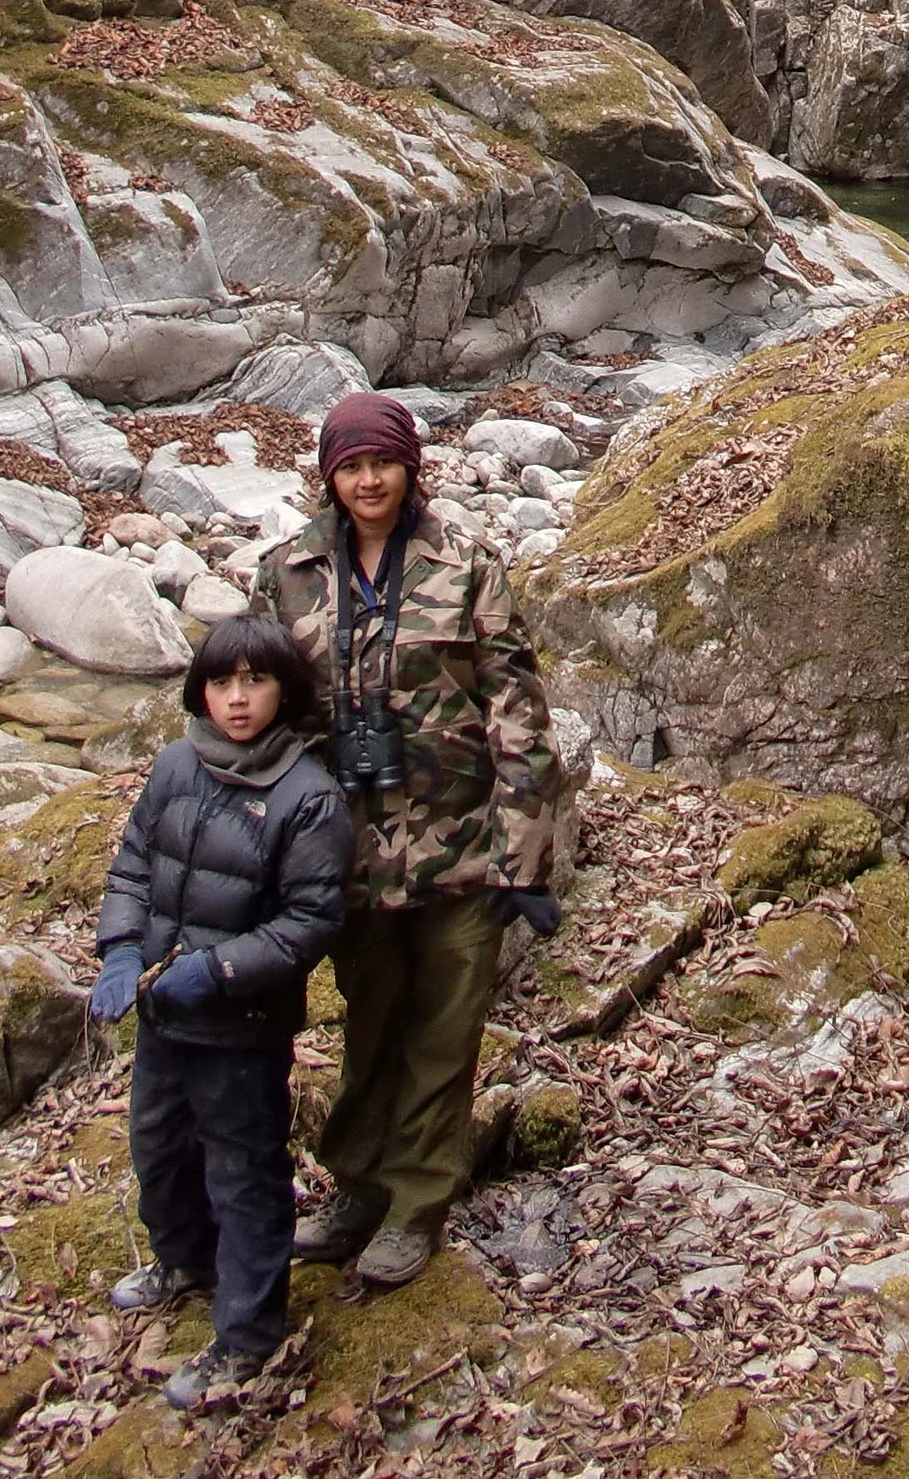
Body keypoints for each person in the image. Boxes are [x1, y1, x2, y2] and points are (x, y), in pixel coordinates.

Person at [255, 392, 564, 1291]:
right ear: (329, 475)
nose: (368, 480)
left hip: (458, 841)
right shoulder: (288, 573)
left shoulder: (467, 565)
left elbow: (519, 713)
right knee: (370, 1020)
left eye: (382, 463)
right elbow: (259, 709)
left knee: (444, 1029)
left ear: (410, 467)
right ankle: (356, 1188)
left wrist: (525, 856)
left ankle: (417, 1203)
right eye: (350, 466)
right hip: (341, 850)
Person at [91, 613, 353, 1414]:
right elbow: (134, 862)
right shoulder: (177, 763)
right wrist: (120, 950)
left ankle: (247, 1334)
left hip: (241, 1024)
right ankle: (183, 1260)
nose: (238, 700)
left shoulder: (308, 796)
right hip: (161, 1015)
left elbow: (309, 921)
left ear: (284, 691)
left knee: (244, 1172)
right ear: (200, 690)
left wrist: (218, 971)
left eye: (256, 681)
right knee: (157, 1144)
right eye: (223, 682)